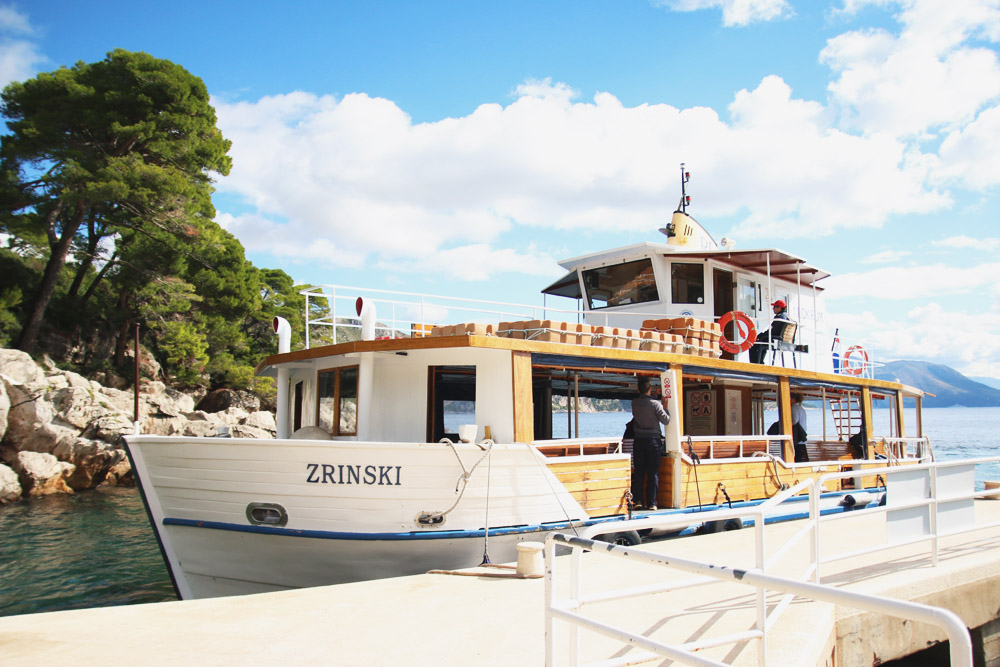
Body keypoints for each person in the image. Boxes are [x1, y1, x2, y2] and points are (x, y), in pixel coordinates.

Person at [631, 376, 670, 510]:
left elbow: (644, 401)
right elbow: (666, 420)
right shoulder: (656, 404)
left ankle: (638, 501)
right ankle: (652, 503)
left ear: (638, 389)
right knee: (653, 472)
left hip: (639, 440)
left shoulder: (634, 403)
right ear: (650, 389)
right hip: (653, 440)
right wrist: (665, 407)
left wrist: (654, 395)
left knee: (639, 472)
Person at [749, 299, 791, 364]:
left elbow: (773, 331)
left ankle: (755, 364)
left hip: (776, 339)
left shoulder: (780, 317)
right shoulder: (786, 316)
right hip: (781, 340)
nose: (773, 308)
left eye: (775, 307)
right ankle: (760, 362)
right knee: (762, 340)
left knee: (754, 343)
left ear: (780, 308)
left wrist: (760, 335)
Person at [790, 392, 808, 462]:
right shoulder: (801, 409)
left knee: (796, 459)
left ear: (793, 399)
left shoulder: (794, 408)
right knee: (799, 458)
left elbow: (794, 421)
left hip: (797, 438)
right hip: (801, 437)